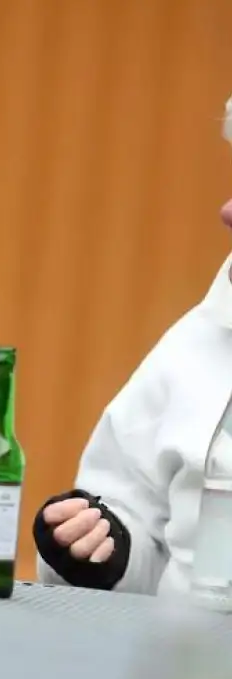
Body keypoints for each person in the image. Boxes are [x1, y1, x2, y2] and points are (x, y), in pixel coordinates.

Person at [33, 98, 232, 598]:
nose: (226, 211)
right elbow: (147, 536)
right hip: (182, 667)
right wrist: (105, 551)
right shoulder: (199, 340)